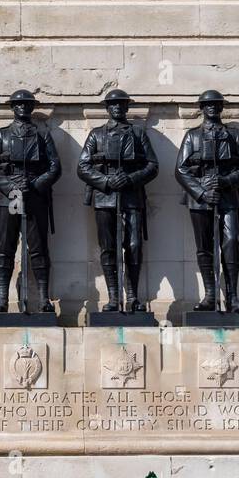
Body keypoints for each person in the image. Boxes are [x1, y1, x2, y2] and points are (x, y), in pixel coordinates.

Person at [77, 90, 159, 312]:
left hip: (131, 196)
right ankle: (114, 296)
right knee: (108, 247)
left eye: (121, 104)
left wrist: (131, 178)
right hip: (105, 197)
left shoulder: (138, 133)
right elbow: (82, 167)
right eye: (113, 104)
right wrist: (106, 181)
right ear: (107, 108)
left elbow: (152, 165)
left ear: (127, 108)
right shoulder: (96, 134)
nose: (117, 107)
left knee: (133, 246)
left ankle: (132, 295)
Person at [175, 90, 239, 314]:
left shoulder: (233, 135)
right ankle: (210, 295)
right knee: (204, 247)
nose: (211, 107)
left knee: (230, 243)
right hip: (199, 199)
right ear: (201, 108)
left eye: (216, 104)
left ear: (221, 108)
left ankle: (232, 296)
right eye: (207, 104)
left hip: (227, 197)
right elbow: (180, 170)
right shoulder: (192, 136)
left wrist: (227, 180)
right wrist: (201, 192)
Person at [0, 89, 61, 313]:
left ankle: (44, 298)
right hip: (10, 197)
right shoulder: (2, 134)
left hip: (35, 196)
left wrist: (36, 184)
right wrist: (11, 187)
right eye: (18, 104)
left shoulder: (43, 135)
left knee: (38, 248)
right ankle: (2, 299)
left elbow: (55, 167)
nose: (23, 108)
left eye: (27, 104)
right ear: (12, 108)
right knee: (5, 249)